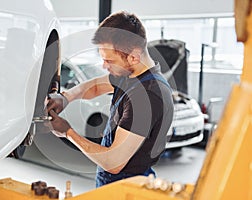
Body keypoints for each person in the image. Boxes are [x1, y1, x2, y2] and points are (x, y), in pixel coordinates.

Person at [45, 11, 174, 187]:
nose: (105, 66)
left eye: (109, 61)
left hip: (125, 186)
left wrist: (68, 132)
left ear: (133, 56)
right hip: (110, 181)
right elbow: (95, 87)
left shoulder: (148, 96)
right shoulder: (130, 74)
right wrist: (65, 98)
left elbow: (114, 163)